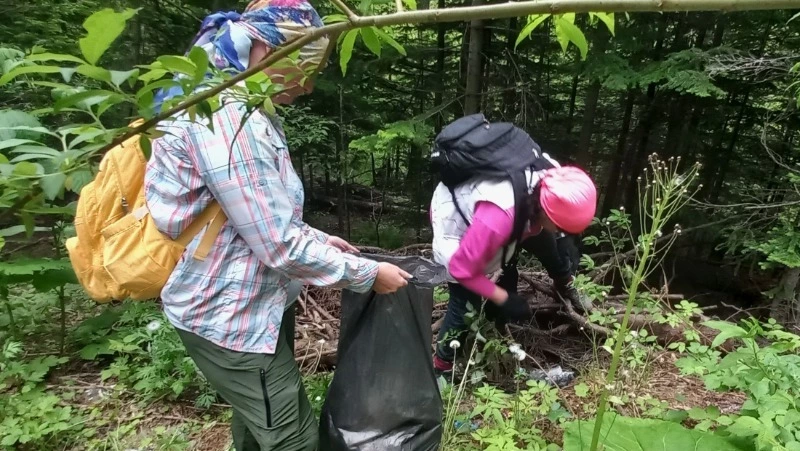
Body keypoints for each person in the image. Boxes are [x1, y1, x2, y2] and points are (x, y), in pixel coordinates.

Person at [143, 1, 411, 449]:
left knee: (257, 424)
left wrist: (321, 239)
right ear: (265, 49)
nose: (308, 85)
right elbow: (279, 246)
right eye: (305, 64)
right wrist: (368, 276)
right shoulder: (226, 121)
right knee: (293, 439)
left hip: (257, 305)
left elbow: (256, 215)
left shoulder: (240, 108)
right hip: (230, 315)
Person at [429, 127, 597, 377]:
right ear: (546, 211)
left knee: (544, 240)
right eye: (562, 227)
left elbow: (547, 227)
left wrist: (563, 248)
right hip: (456, 219)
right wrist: (502, 297)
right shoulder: (498, 219)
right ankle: (441, 368)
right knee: (465, 301)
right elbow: (461, 269)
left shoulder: (552, 178)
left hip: (506, 209)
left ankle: (564, 284)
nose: (563, 232)